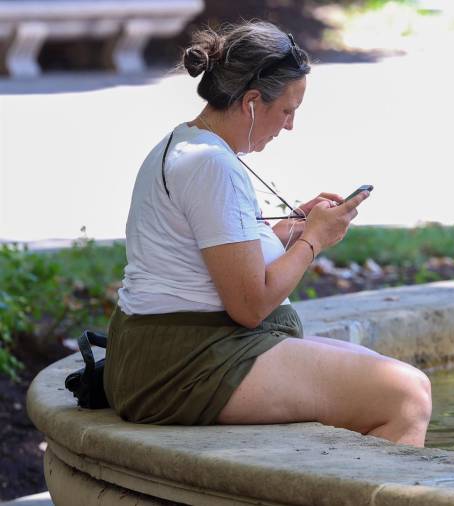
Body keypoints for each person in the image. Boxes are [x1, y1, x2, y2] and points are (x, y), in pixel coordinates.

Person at [103, 21, 432, 447]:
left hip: (173, 355)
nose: (290, 125)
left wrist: (293, 228)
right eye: (288, 110)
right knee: (404, 397)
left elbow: (216, 252)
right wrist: (314, 240)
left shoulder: (189, 145)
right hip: (183, 367)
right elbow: (250, 305)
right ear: (253, 102)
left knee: (404, 382)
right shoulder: (210, 166)